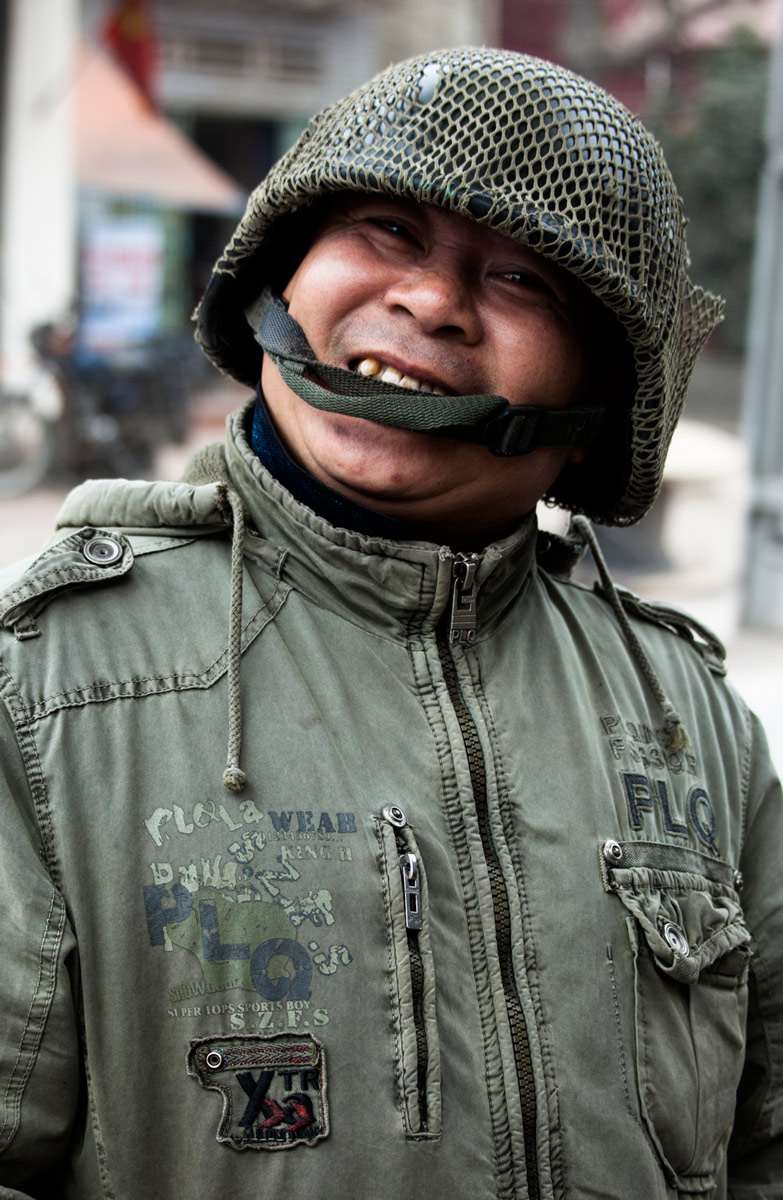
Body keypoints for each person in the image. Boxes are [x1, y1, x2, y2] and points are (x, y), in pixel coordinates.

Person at [0, 46, 781, 1200]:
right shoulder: (54, 685)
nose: (430, 301)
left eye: (527, 283)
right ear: (279, 274)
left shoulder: (689, 718)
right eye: (385, 230)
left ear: (596, 407)